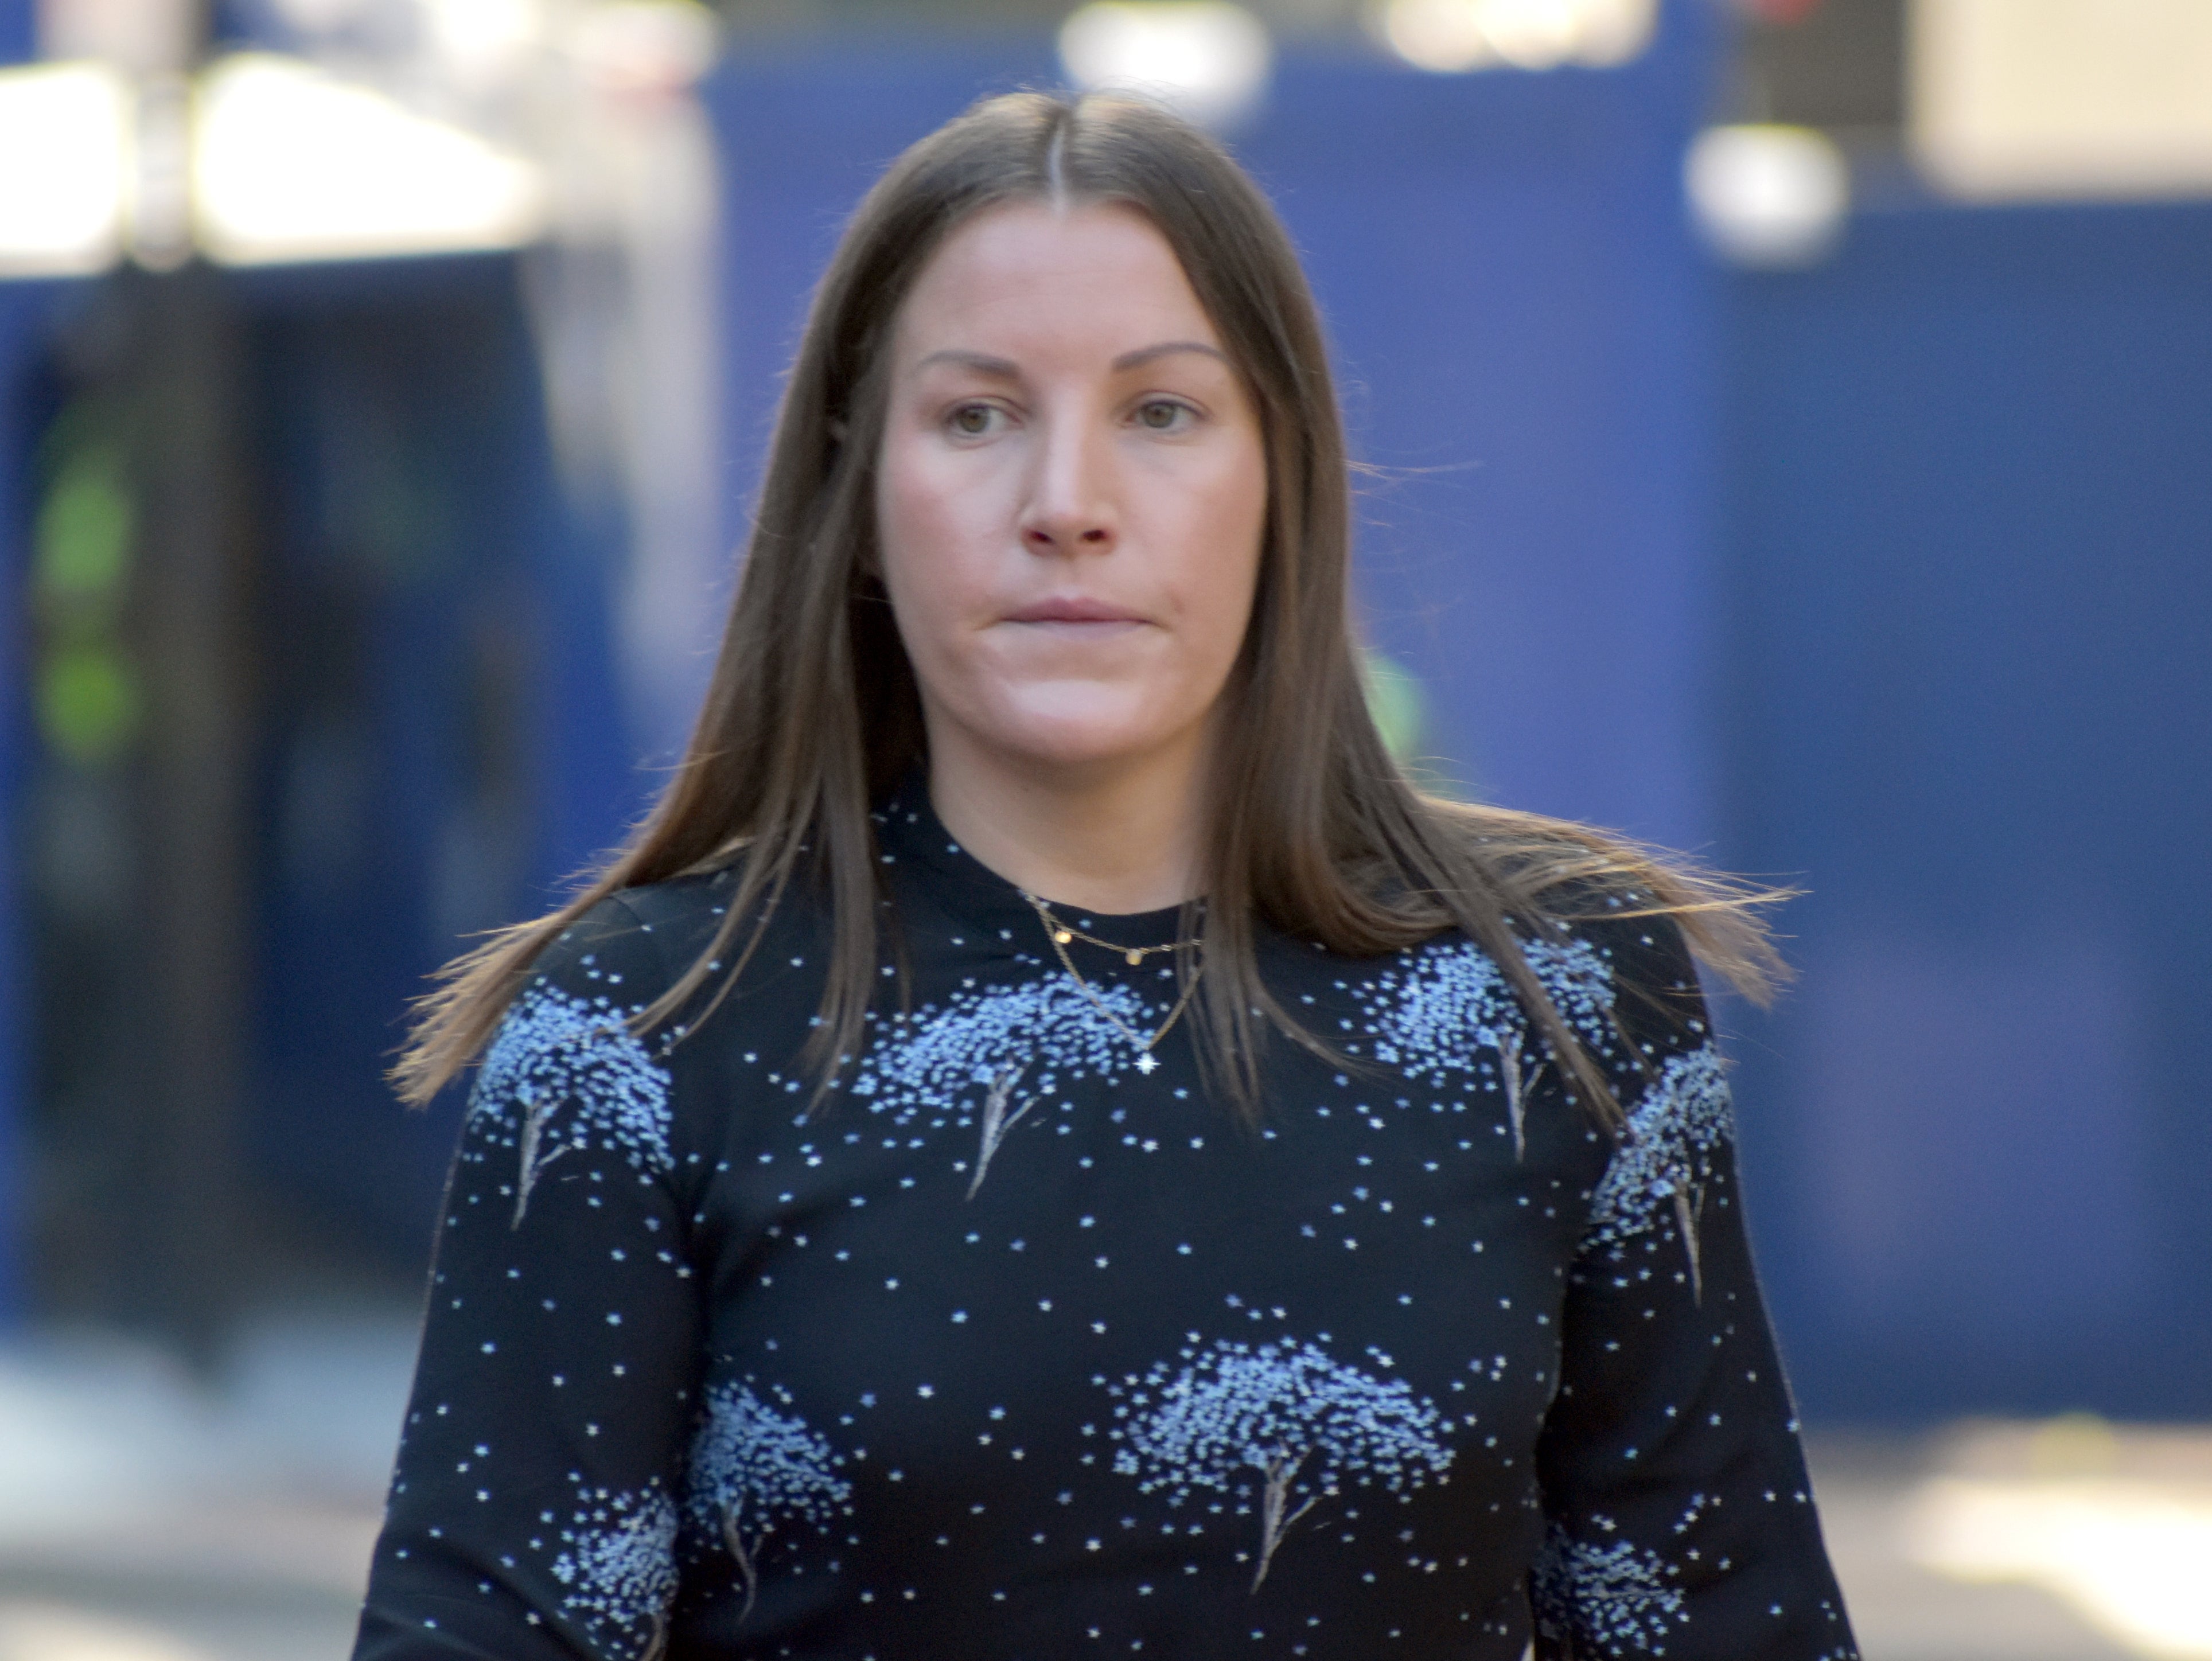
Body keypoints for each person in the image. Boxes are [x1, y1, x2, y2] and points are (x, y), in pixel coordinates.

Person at [353, 91, 1858, 1661]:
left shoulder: (1565, 995)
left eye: (1162, 413)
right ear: (857, 502)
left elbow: (1727, 1620)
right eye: (977, 416)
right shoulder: (639, 1033)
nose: (1067, 503)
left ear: (1283, 485)